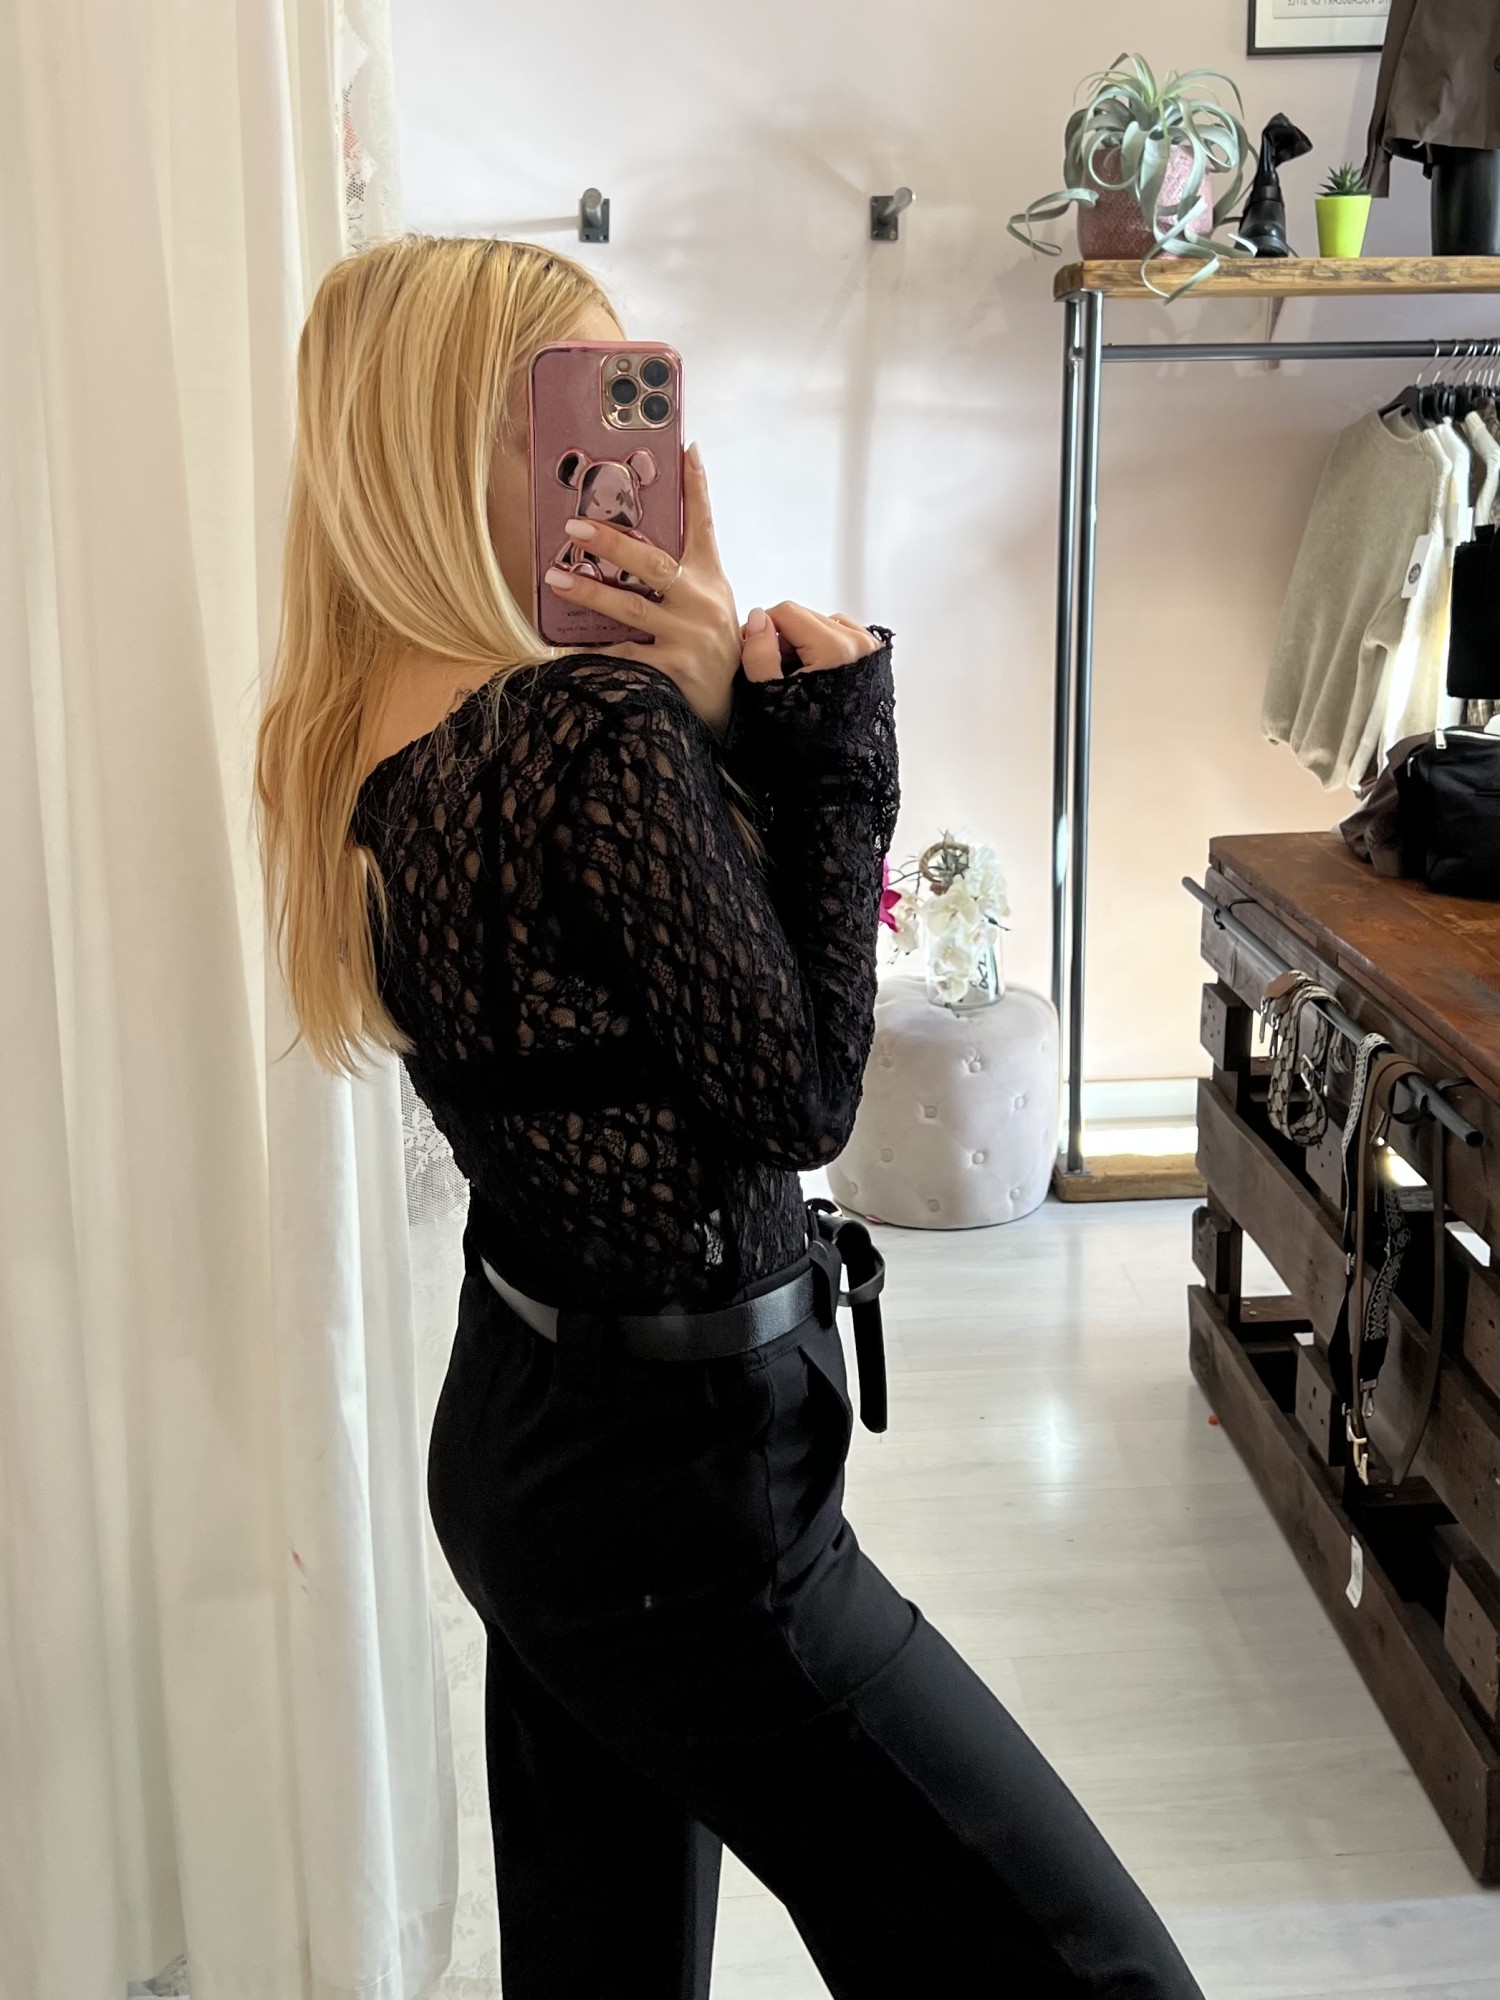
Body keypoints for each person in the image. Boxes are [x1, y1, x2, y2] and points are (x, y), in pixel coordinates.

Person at [255, 235, 1203, 2000]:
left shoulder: (356, 733)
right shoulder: (586, 731)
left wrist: (696, 722)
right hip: (693, 1504)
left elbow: (629, 1039)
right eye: (580, 415)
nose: (635, 469)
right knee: (1093, 1974)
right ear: (461, 448)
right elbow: (801, 1093)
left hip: (527, 1436)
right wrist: (816, 742)